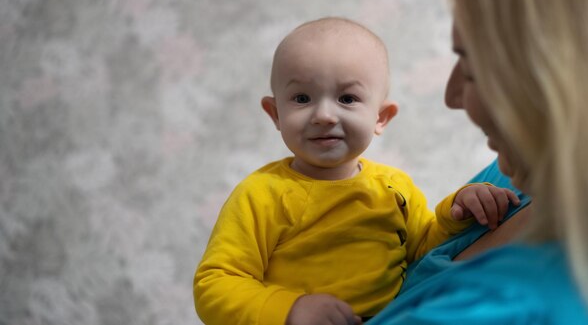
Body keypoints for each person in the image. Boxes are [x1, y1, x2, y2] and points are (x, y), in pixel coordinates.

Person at [368, 0, 588, 323]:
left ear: (556, 78)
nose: (452, 97)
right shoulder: (515, 177)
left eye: (470, 67)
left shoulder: (501, 310)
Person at [193, 17, 520, 325]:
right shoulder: (261, 193)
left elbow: (423, 248)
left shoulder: (393, 187)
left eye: (347, 98)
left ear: (381, 118)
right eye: (302, 98)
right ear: (275, 113)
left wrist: (459, 209)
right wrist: (290, 310)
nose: (323, 115)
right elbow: (215, 283)